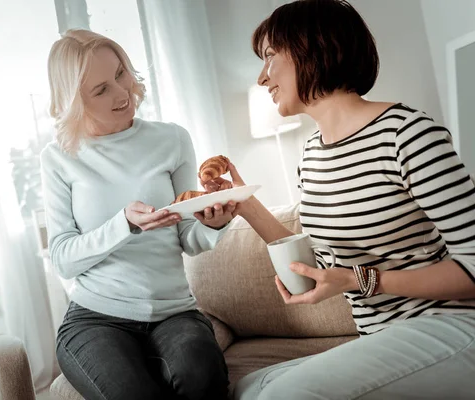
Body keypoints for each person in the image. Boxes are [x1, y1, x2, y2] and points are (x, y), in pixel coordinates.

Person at [201, 1, 475, 398]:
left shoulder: (408, 135)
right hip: (381, 339)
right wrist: (244, 202)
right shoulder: (312, 154)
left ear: (310, 48)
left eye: (270, 57)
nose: (262, 78)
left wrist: (363, 280)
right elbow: (323, 268)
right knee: (248, 387)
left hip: (451, 326)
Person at [41, 29, 232, 400]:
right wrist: (124, 225)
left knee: (203, 379)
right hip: (95, 318)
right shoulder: (59, 158)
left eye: (120, 74)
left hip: (175, 312)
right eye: (101, 89)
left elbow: (188, 236)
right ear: (74, 101)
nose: (122, 92)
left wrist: (215, 223)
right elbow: (63, 259)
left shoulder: (172, 139)